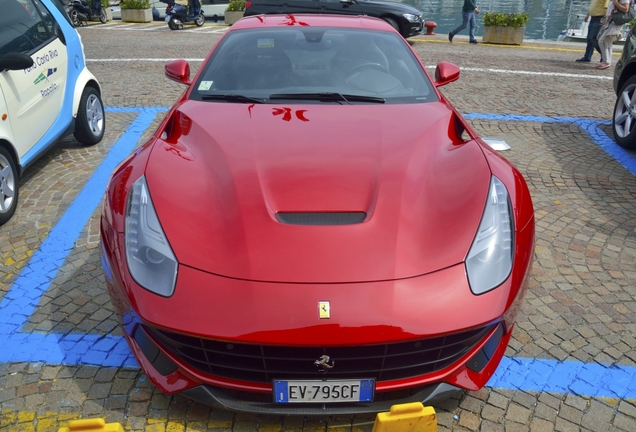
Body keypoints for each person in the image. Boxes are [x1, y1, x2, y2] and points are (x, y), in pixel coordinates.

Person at [596, 0, 630, 69]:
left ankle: (605, 61)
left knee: (602, 41)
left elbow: (626, 9)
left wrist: (616, 2)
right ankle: (607, 62)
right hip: (610, 21)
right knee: (608, 42)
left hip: (615, 22)